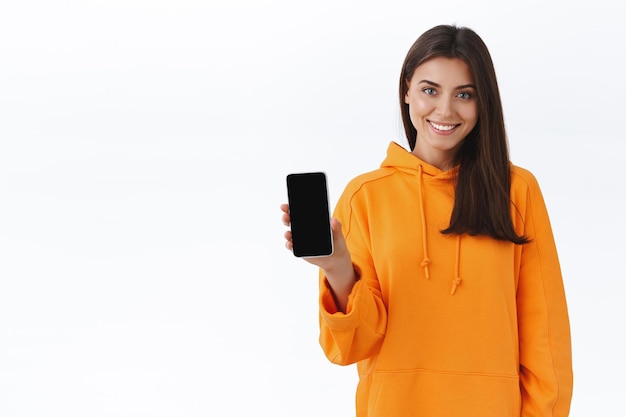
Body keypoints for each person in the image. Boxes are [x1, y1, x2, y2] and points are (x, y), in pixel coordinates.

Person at [281, 24, 573, 417]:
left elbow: (546, 340)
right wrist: (337, 269)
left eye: (464, 95)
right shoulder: (365, 197)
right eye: (430, 90)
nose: (445, 110)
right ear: (407, 90)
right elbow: (350, 347)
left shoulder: (516, 191)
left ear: (483, 101)